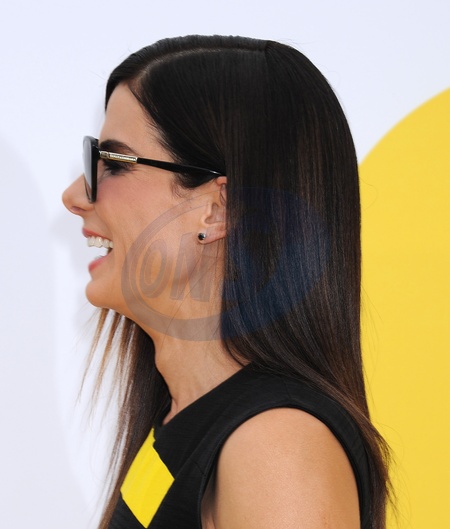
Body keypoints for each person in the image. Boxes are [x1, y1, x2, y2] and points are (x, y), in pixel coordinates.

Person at [63, 35, 390, 529]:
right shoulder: (187, 417)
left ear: (217, 209)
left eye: (114, 163)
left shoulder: (276, 444)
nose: (74, 195)